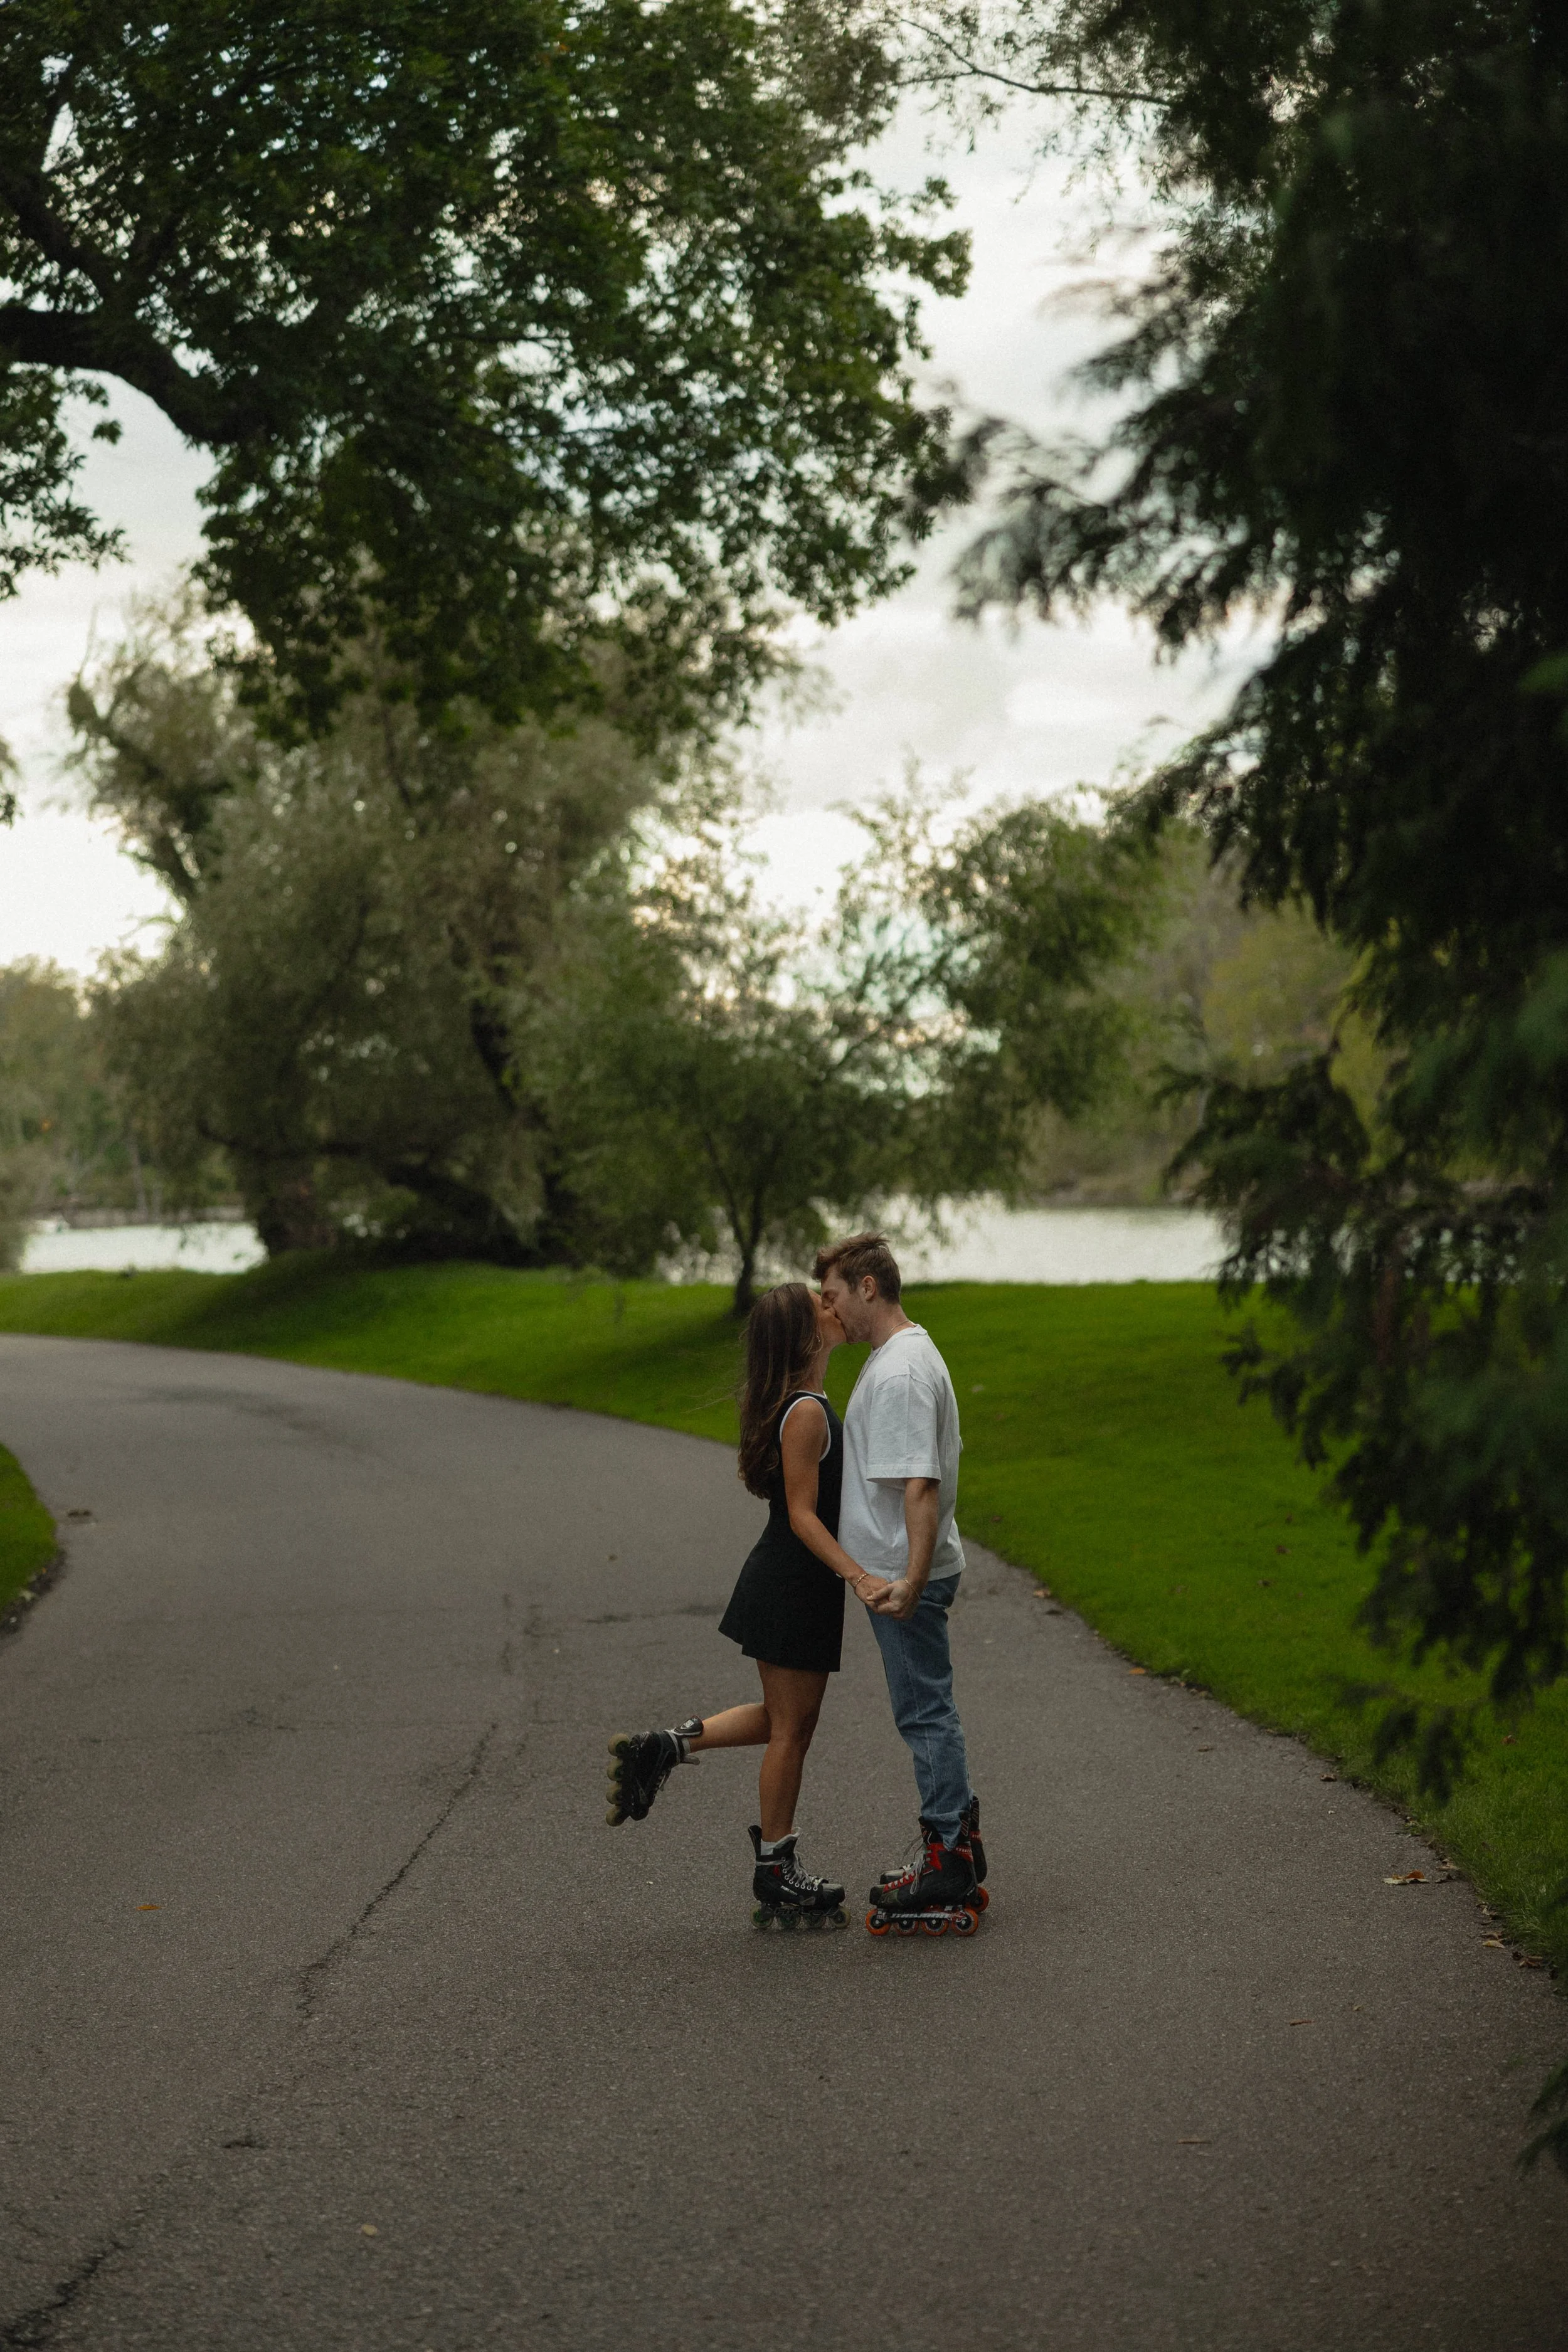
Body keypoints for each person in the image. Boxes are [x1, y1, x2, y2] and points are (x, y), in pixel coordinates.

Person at [604, 1281, 884, 1927]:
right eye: (820, 1303)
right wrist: (859, 1576)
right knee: (791, 1731)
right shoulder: (806, 1411)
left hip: (792, 1582)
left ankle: (666, 1747)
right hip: (792, 1582)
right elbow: (803, 1517)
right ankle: (776, 1872)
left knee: (784, 1721)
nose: (832, 1304)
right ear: (805, 1333)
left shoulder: (802, 1402)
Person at [814, 1232, 985, 1920]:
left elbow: (919, 1483)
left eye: (832, 1297)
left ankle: (947, 1857)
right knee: (926, 1711)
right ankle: (958, 1844)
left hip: (899, 1577)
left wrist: (910, 1582)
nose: (831, 1313)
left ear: (867, 1286)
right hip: (897, 1571)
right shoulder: (899, 1357)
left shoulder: (900, 1372)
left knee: (924, 1714)